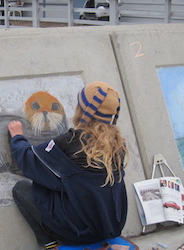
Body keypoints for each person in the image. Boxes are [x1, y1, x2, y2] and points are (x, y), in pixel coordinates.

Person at [8, 81, 129, 250]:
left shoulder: (71, 141)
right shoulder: (119, 145)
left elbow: (29, 160)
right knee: (60, 179)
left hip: (77, 233)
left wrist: (17, 137)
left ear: (83, 110)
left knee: (23, 188)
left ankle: (48, 243)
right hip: (111, 226)